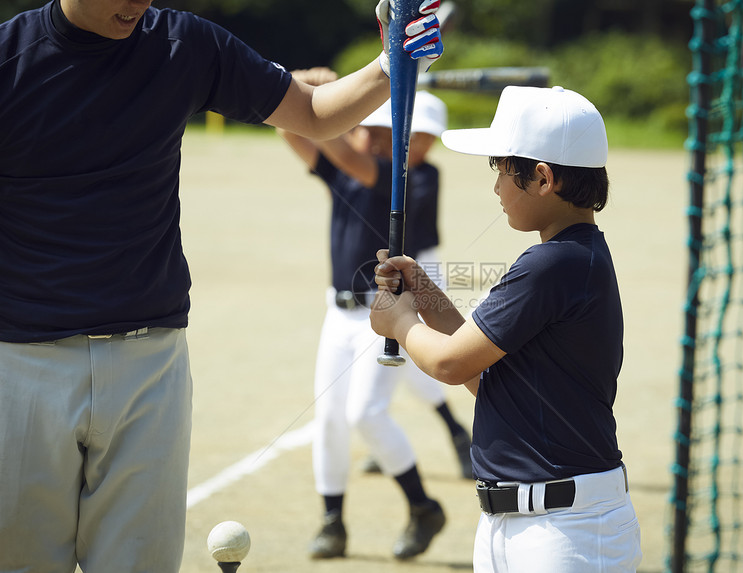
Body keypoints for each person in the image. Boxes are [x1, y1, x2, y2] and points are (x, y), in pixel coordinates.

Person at [0, 0, 443, 571]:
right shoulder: (10, 60)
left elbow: (311, 111)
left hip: (150, 361)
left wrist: (391, 63)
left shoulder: (184, 43)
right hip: (22, 361)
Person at [369, 85, 643, 572]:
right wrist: (424, 292)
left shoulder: (554, 263)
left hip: (566, 528)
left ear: (542, 178)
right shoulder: (569, 257)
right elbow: (486, 377)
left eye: (501, 170)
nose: (496, 187)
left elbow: (450, 363)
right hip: (518, 523)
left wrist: (401, 321)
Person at [276, 71, 449, 560]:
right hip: (338, 313)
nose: (365, 134)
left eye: (376, 129)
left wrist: (319, 100)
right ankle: (332, 521)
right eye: (363, 127)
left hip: (384, 314)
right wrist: (296, 84)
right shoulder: (347, 171)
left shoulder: (399, 178)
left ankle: (423, 505)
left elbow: (324, 133)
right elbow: (289, 126)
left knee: (365, 414)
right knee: (330, 419)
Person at [349, 92, 473, 481]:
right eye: (415, 134)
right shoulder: (389, 168)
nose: (420, 143)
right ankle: (449, 434)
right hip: (402, 268)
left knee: (420, 357)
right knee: (413, 368)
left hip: (421, 269)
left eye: (425, 137)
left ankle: (451, 434)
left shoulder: (423, 175)